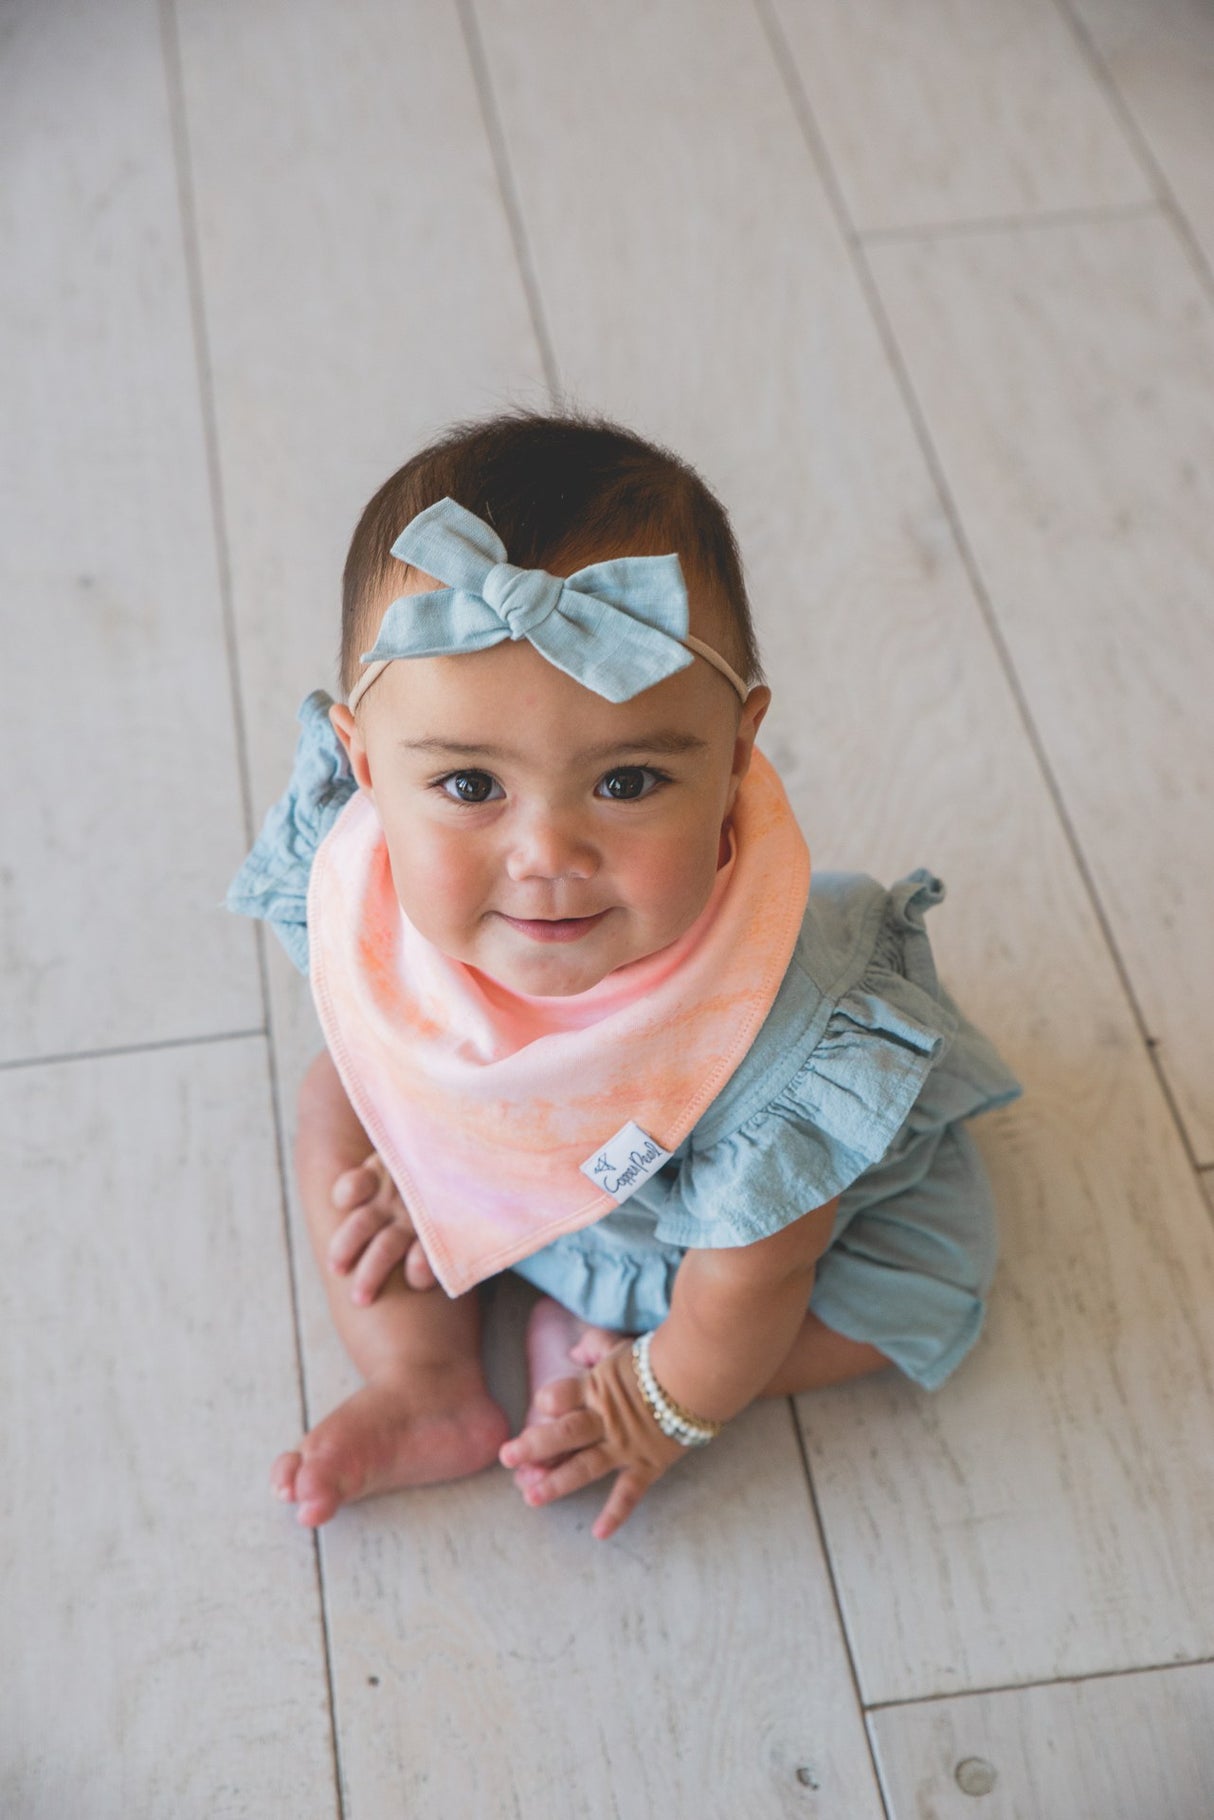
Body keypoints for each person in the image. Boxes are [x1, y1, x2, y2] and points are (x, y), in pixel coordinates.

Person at [227, 409, 1021, 1543]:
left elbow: (756, 1268)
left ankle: (611, 1369)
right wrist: (430, 1148)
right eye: (467, 787)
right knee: (330, 1097)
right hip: (523, 1177)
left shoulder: (782, 1024)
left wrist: (663, 1399)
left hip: (749, 1245)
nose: (546, 855)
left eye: (629, 779)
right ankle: (425, 1379)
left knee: (906, 1301)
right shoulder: (361, 884)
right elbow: (388, 1069)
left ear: (737, 751)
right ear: (363, 765)